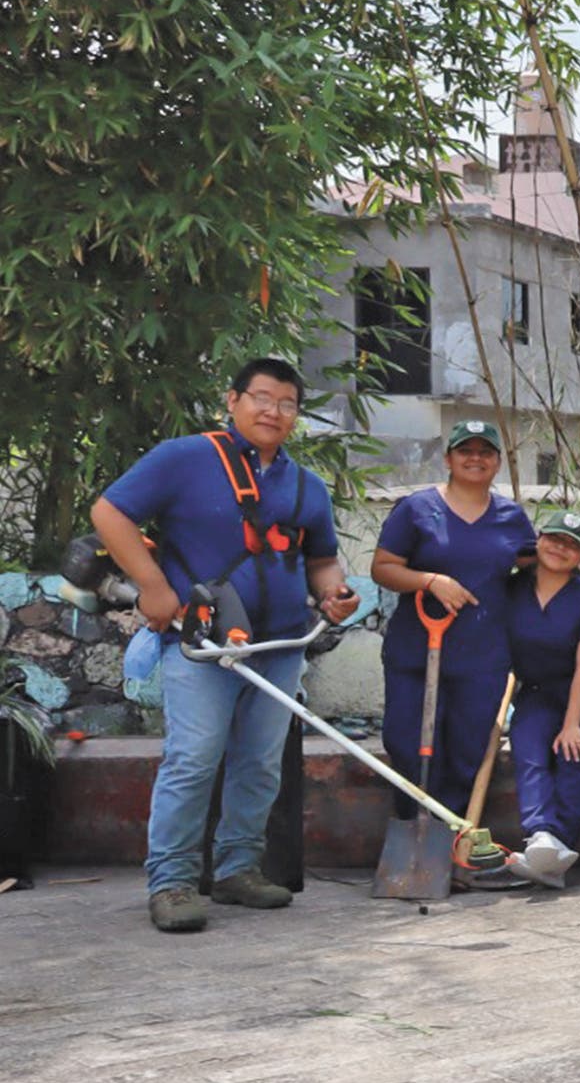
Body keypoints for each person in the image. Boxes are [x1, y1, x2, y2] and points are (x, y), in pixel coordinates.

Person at [92, 357, 360, 931]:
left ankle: (239, 869)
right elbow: (109, 512)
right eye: (262, 398)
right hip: (202, 645)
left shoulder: (307, 485)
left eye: (287, 404)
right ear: (233, 400)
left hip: (281, 645)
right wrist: (153, 586)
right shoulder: (183, 458)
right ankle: (171, 882)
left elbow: (321, 559)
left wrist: (333, 593)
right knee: (193, 759)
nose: (273, 411)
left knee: (260, 764)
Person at [369, 420, 537, 825]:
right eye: (465, 451)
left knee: (468, 750)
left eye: (485, 452)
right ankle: (412, 827)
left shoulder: (511, 517)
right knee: (408, 744)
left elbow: (542, 565)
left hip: (482, 656)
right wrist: (430, 581)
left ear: (497, 462)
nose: (475, 459)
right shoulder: (416, 510)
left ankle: (452, 835)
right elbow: (383, 567)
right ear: (448, 459)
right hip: (416, 651)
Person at [501, 509, 580, 885]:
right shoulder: (512, 588)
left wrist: (572, 724)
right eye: (554, 538)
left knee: (573, 750)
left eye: (572, 545)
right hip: (538, 694)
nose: (560, 548)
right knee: (528, 748)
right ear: (539, 540)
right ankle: (540, 836)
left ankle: (558, 845)